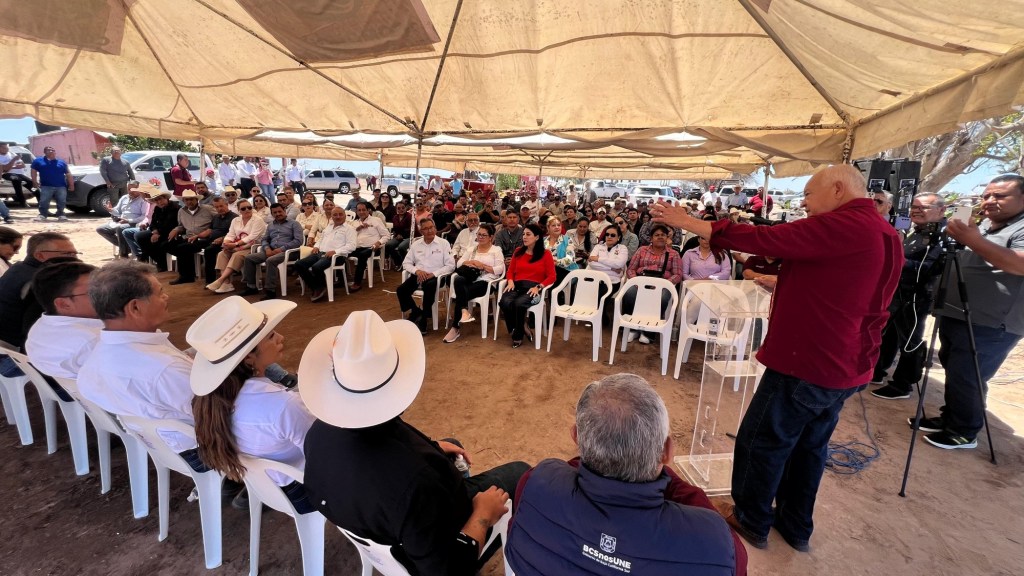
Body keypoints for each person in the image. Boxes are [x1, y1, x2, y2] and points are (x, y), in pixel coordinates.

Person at [651, 164, 902, 551]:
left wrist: (688, 221)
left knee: (761, 440)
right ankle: (795, 525)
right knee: (809, 448)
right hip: (848, 364)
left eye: (807, 194)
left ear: (837, 190)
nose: (803, 203)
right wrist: (785, 280)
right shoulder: (885, 232)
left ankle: (751, 517)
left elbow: (764, 238)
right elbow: (847, 286)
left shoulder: (843, 225)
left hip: (809, 361)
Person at [299, 310, 529, 575]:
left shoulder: (318, 432)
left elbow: (391, 445)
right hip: (425, 541)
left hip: (381, 517)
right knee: (521, 473)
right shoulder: (416, 485)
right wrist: (482, 516)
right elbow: (446, 570)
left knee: (450, 444)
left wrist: (432, 446)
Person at [506, 373, 747, 576]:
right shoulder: (718, 545)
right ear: (666, 451)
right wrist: (663, 473)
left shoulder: (534, 485)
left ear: (576, 437)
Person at [913, 175, 1024, 449]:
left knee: (969, 374)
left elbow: (1018, 265)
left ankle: (963, 431)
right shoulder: (983, 225)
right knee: (954, 368)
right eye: (986, 195)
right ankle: (951, 417)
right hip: (959, 312)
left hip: (993, 322)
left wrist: (972, 238)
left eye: (1000, 196)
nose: (990, 201)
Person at [189, 296, 315, 512]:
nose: (281, 338)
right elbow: (319, 450)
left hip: (263, 484)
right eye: (272, 336)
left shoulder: (212, 400)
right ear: (248, 359)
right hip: (299, 489)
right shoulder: (283, 405)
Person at [77, 261, 200, 457]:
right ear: (135, 307)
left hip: (155, 443)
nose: (166, 297)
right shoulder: (165, 369)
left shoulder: (95, 355)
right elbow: (224, 414)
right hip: (198, 449)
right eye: (160, 293)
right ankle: (233, 486)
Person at [871, 192, 946, 400]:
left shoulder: (941, 236)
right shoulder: (916, 231)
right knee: (889, 336)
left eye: (923, 208)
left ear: (941, 210)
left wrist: (894, 257)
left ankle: (903, 384)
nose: (916, 211)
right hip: (898, 294)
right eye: (914, 207)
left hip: (917, 298)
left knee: (910, 342)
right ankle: (878, 371)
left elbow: (929, 269)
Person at [0, 232, 77, 353]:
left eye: (75, 254)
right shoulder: (43, 280)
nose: (75, 259)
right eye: (68, 254)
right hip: (16, 350)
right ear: (40, 256)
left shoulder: (19, 268)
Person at [25, 261, 102, 380]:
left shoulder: (41, 325)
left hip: (65, 390)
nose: (109, 295)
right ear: (64, 304)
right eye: (96, 293)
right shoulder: (92, 340)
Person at [443, 223, 505, 343]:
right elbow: (459, 263)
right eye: (479, 234)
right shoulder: (472, 249)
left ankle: (455, 327)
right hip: (470, 279)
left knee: (461, 293)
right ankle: (464, 311)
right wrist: (472, 262)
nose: (480, 237)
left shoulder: (496, 250)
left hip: (486, 282)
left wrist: (483, 266)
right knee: (458, 279)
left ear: (491, 237)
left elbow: (500, 270)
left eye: (484, 235)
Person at [622, 224, 683, 345]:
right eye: (657, 235)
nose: (660, 237)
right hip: (641, 282)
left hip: (662, 284)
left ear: (667, 237)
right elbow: (631, 269)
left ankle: (648, 332)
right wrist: (636, 282)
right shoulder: (642, 250)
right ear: (651, 238)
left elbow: (678, 274)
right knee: (629, 294)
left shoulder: (673, 254)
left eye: (663, 235)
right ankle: (632, 328)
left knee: (662, 298)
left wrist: (665, 284)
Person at [499, 223, 556, 348]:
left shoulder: (545, 254)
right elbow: (510, 271)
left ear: (536, 237)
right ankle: (518, 327)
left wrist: (539, 287)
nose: (524, 237)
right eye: (523, 234)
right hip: (516, 285)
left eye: (528, 234)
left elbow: (552, 276)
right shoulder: (518, 251)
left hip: (533, 288)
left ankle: (517, 336)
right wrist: (510, 280)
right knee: (504, 302)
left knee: (518, 304)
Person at [397, 219, 455, 334]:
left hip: (436, 277)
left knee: (429, 287)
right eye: (426, 228)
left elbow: (451, 265)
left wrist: (434, 274)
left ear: (435, 227)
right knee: (401, 290)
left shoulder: (443, 243)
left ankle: (424, 318)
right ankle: (416, 311)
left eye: (431, 227)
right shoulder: (416, 244)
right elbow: (406, 263)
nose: (430, 230)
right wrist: (417, 271)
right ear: (421, 230)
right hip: (419, 276)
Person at [241, 203, 303, 300]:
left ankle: (270, 290)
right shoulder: (270, 225)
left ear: (285, 211)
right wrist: (267, 248)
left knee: (271, 260)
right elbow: (264, 239)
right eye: (275, 212)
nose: (278, 214)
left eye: (280, 211)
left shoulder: (294, 224)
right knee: (249, 258)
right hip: (270, 251)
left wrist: (281, 249)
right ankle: (251, 286)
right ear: (272, 214)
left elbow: (298, 241)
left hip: (288, 252)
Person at [294, 207, 357, 302]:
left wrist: (336, 251)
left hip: (337, 256)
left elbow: (352, 246)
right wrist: (316, 246)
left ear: (345, 216)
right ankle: (316, 287)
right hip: (320, 253)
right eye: (335, 215)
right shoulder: (329, 227)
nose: (338, 217)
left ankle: (318, 288)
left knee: (316, 267)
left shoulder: (349, 229)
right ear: (331, 216)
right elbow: (321, 239)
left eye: (340, 214)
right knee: (299, 264)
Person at [206, 199, 267, 293]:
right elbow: (230, 234)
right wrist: (226, 244)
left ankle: (220, 280)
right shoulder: (236, 220)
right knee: (221, 254)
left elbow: (252, 237)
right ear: (239, 210)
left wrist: (235, 245)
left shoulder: (258, 220)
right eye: (243, 208)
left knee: (237, 255)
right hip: (238, 246)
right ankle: (226, 284)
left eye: (249, 207)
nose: (247, 210)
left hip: (254, 247)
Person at [165, 190, 216, 284]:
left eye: (191, 199)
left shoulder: (208, 209)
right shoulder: (181, 211)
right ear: (183, 201)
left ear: (197, 200)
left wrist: (210, 231)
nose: (189, 202)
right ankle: (190, 270)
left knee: (183, 248)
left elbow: (218, 220)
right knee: (167, 244)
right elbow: (181, 225)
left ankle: (186, 276)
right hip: (188, 236)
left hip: (204, 238)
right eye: (186, 200)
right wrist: (176, 229)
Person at [96, 181, 148, 258]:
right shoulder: (124, 198)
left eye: (133, 189)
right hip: (121, 221)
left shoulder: (143, 200)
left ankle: (123, 254)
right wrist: (111, 210)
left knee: (120, 228)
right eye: (129, 189)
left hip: (134, 222)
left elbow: (144, 217)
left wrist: (129, 221)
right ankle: (128, 247)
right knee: (101, 229)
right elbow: (118, 212)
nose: (130, 191)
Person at [347, 202, 390, 292]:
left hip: (373, 248)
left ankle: (357, 283)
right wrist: (357, 229)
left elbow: (386, 235)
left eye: (363, 210)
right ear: (356, 211)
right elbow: (349, 237)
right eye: (359, 210)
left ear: (368, 210)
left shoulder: (376, 220)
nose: (361, 212)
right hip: (357, 247)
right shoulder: (354, 223)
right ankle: (340, 279)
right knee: (341, 254)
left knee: (363, 255)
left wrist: (379, 243)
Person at [198, 196, 238, 283]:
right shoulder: (216, 217)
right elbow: (210, 229)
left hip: (225, 242)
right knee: (190, 244)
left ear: (226, 205)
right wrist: (196, 236)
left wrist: (223, 238)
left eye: (221, 206)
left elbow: (236, 234)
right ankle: (190, 274)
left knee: (209, 251)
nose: (219, 209)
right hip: (211, 239)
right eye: (216, 207)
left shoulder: (234, 218)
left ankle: (210, 280)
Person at [30, 145, 74, 222]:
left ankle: (61, 214)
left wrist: (71, 184)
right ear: (44, 152)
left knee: (61, 201)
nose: (51, 150)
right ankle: (43, 215)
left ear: (55, 152)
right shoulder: (38, 161)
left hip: (61, 186)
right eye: (48, 150)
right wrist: (34, 181)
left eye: (52, 149)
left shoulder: (62, 162)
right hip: (46, 186)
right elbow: (33, 171)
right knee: (44, 201)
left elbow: (68, 174)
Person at [543, 216, 577, 285]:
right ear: (548, 227)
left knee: (554, 270)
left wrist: (554, 263)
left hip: (566, 271)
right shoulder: (542, 241)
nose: (557, 227)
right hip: (546, 271)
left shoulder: (568, 240)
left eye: (559, 225)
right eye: (553, 225)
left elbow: (570, 259)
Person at [0, 142, 32, 209]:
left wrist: (10, 166)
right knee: (16, 181)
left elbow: (22, 165)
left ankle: (39, 199)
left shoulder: (12, 153)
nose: (7, 149)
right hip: (7, 174)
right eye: (5, 148)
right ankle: (22, 202)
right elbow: (5, 170)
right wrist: (14, 160)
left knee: (30, 182)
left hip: (20, 174)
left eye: (8, 147)